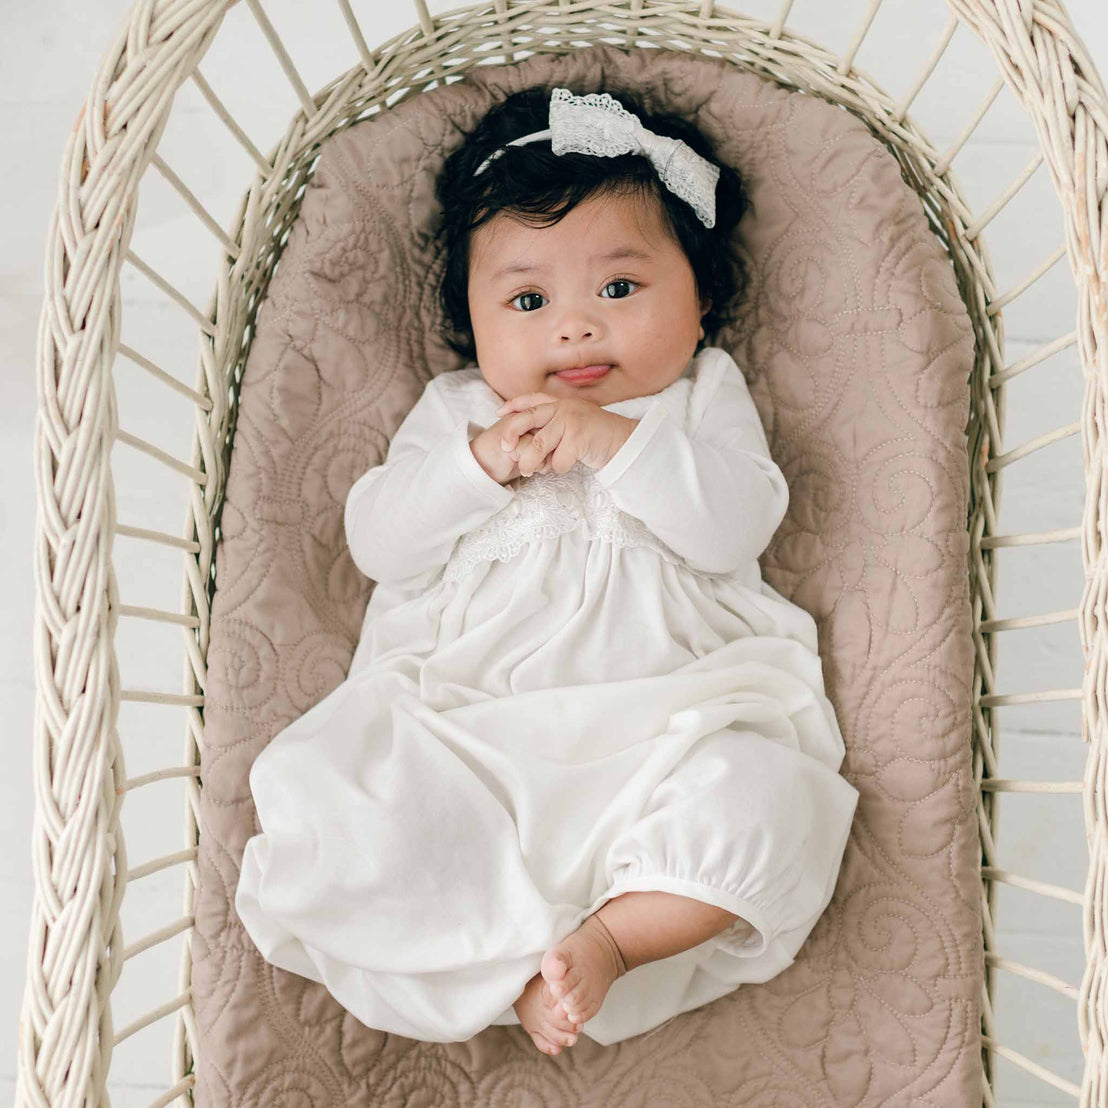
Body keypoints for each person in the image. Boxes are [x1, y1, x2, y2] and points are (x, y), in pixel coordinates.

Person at [234, 83, 860, 1056]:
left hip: (667, 725)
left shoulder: (698, 401)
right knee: (322, 796)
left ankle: (610, 936)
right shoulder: (457, 415)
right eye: (528, 300)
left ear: (699, 303)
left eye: (618, 288)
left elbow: (738, 524)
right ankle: (509, 951)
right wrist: (473, 467)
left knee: (770, 796)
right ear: (474, 327)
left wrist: (617, 443)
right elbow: (379, 543)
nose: (574, 327)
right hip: (472, 734)